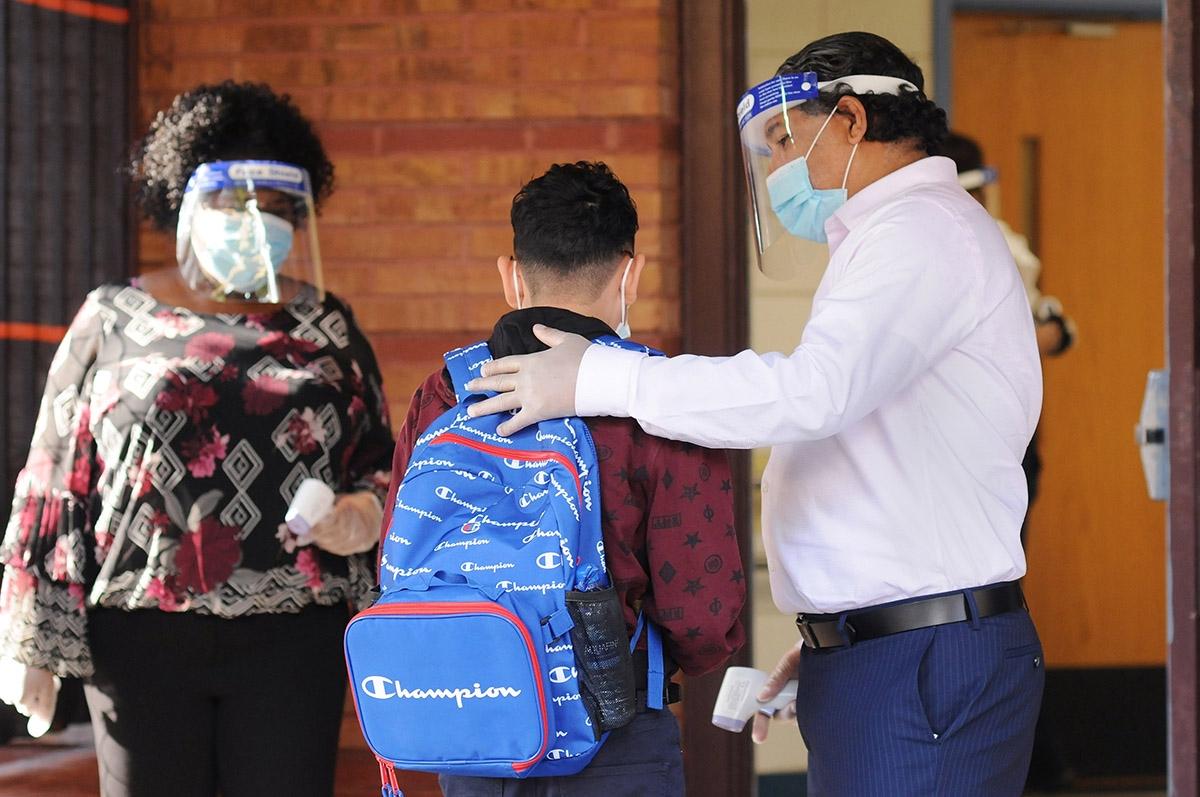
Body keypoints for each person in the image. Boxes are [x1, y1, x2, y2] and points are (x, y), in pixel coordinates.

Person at [465, 33, 1044, 796]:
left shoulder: (921, 231)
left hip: (919, 656)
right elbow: (882, 444)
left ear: (850, 120)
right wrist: (841, 634)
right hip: (893, 649)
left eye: (784, 139)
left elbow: (812, 392)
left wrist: (602, 376)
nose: (776, 170)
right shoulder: (896, 235)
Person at [0, 81, 394, 796]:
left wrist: (360, 512)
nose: (257, 223)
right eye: (236, 205)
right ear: (183, 203)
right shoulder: (113, 318)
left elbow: (378, 464)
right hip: (138, 633)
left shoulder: (327, 325)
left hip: (291, 634)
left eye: (276, 210)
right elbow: (54, 476)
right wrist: (31, 631)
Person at [383, 161, 746, 795]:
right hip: (612, 733)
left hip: (476, 729)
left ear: (511, 274)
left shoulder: (446, 393)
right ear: (631, 273)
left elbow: (397, 554)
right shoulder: (657, 398)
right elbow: (703, 613)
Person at [939, 130, 1078, 791]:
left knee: (987, 596)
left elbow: (1056, 330)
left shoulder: (992, 243)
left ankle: (1031, 761)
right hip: (963, 450)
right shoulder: (946, 240)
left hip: (995, 452)